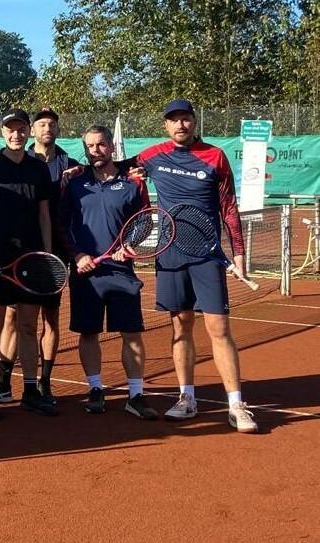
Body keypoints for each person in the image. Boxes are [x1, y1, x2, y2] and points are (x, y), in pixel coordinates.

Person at [136, 99, 258, 432]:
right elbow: (112, 166)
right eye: (174, 120)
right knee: (181, 328)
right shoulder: (151, 156)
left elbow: (228, 207)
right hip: (170, 256)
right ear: (165, 125)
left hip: (207, 257)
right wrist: (77, 171)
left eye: (186, 119)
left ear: (194, 121)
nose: (180, 125)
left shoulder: (215, 156)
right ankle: (186, 398)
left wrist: (239, 253)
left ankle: (236, 404)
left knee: (219, 329)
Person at [58, 125, 159, 419]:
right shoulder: (75, 183)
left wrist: (129, 245)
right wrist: (78, 255)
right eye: (90, 146)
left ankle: (136, 395)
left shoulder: (133, 182)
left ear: (111, 146)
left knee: (131, 334)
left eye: (101, 144)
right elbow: (62, 225)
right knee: (88, 333)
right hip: (86, 273)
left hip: (121, 272)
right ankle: (95, 389)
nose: (95, 151)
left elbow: (144, 221)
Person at [0, 109, 57, 419]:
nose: (16, 134)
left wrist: (47, 257)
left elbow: (44, 216)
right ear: (3, 132)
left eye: (21, 129)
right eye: (11, 129)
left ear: (28, 132)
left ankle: (30, 391)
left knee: (28, 326)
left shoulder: (39, 170)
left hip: (32, 263)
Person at [0, 108, 78, 404]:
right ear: (34, 130)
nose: (47, 129)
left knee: (50, 319)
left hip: (55, 253)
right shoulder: (22, 160)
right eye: (42, 124)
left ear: (57, 129)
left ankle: (44, 383)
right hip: (21, 254)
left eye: (51, 124)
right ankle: (3, 384)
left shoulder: (72, 166)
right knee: (12, 317)